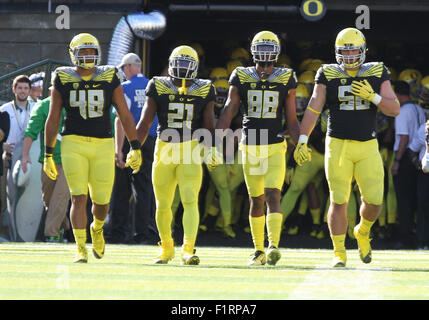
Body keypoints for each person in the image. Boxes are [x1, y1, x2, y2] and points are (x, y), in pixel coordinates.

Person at [294, 27, 400, 267]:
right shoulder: (327, 73)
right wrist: (302, 139)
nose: (350, 57)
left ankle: (362, 231)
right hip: (338, 144)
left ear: (363, 51)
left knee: (374, 201)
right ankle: (339, 252)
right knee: (338, 200)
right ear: (337, 52)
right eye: (345, 52)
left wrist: (373, 97)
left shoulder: (376, 71)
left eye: (354, 52)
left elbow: (394, 109)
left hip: (367, 144)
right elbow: (313, 107)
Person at [44, 33, 142, 263]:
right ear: (73, 55)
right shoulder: (63, 77)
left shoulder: (109, 76)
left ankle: (97, 228)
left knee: (102, 202)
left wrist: (134, 146)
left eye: (91, 52)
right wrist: (48, 152)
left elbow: (124, 114)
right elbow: (53, 117)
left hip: (103, 143)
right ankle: (80, 247)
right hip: (73, 143)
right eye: (83, 52)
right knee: (78, 197)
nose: (88, 56)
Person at [216, 30, 300, 266]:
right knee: (256, 199)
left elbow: (292, 118)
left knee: (274, 194)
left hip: (274, 145)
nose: (265, 53)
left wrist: (300, 141)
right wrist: (215, 143)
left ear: (277, 52)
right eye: (260, 48)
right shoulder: (241, 75)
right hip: (250, 146)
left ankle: (273, 245)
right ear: (253, 50)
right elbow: (229, 110)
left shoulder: (286, 77)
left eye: (269, 48)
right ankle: (258, 249)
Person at [134, 45, 215, 265]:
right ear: (170, 65)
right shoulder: (158, 85)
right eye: (178, 63)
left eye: (187, 64)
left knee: (190, 199)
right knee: (162, 204)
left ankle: (188, 249)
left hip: (190, 148)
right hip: (164, 149)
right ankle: (167, 247)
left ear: (196, 67)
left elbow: (209, 124)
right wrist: (134, 147)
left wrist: (212, 148)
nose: (182, 68)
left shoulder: (204, 88)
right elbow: (145, 121)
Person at [109, 52, 158, 244]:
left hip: (131, 140)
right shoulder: (153, 86)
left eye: (123, 68)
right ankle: (144, 233)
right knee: (145, 188)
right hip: (152, 140)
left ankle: (118, 232)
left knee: (122, 188)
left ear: (128, 67)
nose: (123, 72)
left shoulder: (125, 88)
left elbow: (120, 121)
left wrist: (118, 150)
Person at [21, 87, 70, 243]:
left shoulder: (74, 105)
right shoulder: (43, 106)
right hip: (48, 160)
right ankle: (64, 226)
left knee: (60, 197)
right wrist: (24, 156)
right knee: (49, 200)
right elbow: (31, 132)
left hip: (71, 160)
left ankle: (52, 235)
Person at [391, 81, 425, 249]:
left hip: (405, 156)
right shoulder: (418, 108)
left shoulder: (402, 111)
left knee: (404, 201)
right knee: (415, 200)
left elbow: (403, 138)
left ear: (397, 94)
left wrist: (396, 161)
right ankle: (417, 237)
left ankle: (405, 239)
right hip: (416, 157)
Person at [0, 75, 34, 237]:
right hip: (8, 157)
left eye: (25, 88)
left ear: (30, 90)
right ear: (14, 90)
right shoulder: (4, 109)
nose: (22, 91)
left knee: (28, 200)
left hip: (29, 159)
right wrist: (2, 145)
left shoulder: (36, 107)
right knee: (4, 197)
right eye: (19, 88)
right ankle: (6, 234)